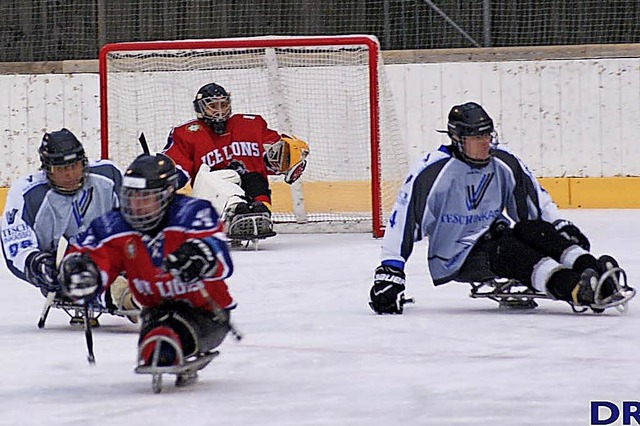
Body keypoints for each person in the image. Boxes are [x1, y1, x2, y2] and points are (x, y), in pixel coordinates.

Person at [369, 101, 635, 315]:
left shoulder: (503, 161)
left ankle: (593, 269)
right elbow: (402, 221)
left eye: (487, 134)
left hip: (496, 236)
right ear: (457, 138)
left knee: (533, 230)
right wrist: (390, 273)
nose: (486, 142)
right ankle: (576, 288)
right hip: (458, 257)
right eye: (477, 136)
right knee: (508, 250)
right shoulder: (433, 171)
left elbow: (535, 205)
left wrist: (560, 228)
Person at [57, 153, 236, 385]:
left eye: (146, 197)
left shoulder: (193, 213)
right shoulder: (114, 224)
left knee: (164, 341)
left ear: (168, 194)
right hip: (155, 311)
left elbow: (219, 254)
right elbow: (90, 252)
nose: (137, 205)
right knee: (156, 345)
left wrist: (200, 254)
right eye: (132, 197)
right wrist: (82, 271)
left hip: (206, 311)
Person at [0, 128, 135, 318]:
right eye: (62, 169)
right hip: (64, 270)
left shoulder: (108, 175)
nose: (71, 175)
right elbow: (17, 247)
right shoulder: (27, 192)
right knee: (90, 281)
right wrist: (37, 265)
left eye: (76, 166)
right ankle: (130, 299)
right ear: (47, 169)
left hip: (115, 256)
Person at [162, 82, 309, 240]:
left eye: (223, 105)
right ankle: (235, 212)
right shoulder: (187, 133)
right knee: (214, 177)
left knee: (254, 177)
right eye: (213, 106)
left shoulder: (250, 125)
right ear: (200, 109)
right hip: (213, 197)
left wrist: (290, 159)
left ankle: (261, 213)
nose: (219, 111)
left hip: (249, 190)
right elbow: (177, 164)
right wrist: (167, 181)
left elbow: (273, 159)